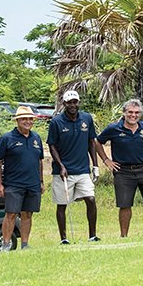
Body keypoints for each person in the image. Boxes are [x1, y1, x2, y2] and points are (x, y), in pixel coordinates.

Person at [95, 99, 143, 237]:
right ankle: (124, 236)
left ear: (140, 114)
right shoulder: (114, 128)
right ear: (124, 113)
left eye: (137, 113)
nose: (133, 115)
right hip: (123, 171)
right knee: (125, 204)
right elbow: (97, 141)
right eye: (130, 112)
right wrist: (106, 160)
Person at [48, 90, 100, 244]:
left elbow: (91, 142)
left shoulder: (86, 118)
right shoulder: (56, 122)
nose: (72, 105)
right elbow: (52, 146)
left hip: (83, 169)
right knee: (62, 205)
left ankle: (92, 235)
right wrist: (61, 166)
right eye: (69, 102)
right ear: (64, 104)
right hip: (63, 171)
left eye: (75, 102)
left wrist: (95, 165)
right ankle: (63, 238)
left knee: (90, 199)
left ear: (78, 102)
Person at [0, 106, 44, 251]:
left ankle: (25, 244)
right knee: (11, 214)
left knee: (27, 214)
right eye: (24, 119)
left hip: (33, 183)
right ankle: (5, 244)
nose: (27, 121)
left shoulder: (36, 138)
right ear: (17, 121)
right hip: (13, 183)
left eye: (30, 119)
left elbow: (40, 161)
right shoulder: (7, 138)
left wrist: (41, 181)